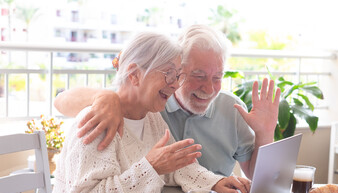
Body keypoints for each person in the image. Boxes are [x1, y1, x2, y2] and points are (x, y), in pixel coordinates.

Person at [47, 31, 251, 193]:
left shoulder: (152, 119)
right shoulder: (98, 121)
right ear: (134, 74)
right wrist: (151, 167)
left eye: (178, 75)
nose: (175, 84)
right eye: (169, 74)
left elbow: (178, 166)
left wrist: (216, 183)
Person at [54, 24, 280, 179]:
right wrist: (105, 97)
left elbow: (255, 175)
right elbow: (61, 101)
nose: (209, 88)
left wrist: (264, 133)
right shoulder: (151, 100)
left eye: (217, 77)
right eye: (199, 76)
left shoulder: (231, 108)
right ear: (177, 69)